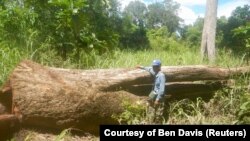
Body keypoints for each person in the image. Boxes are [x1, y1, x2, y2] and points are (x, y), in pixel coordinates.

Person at [137, 59, 166, 124]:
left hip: (159, 97)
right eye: (153, 66)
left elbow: (162, 90)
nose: (154, 68)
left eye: (155, 66)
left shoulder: (161, 76)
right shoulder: (155, 72)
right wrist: (141, 67)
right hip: (153, 94)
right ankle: (149, 121)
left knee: (158, 114)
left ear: (159, 67)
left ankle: (157, 123)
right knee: (150, 109)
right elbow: (149, 69)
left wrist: (157, 100)